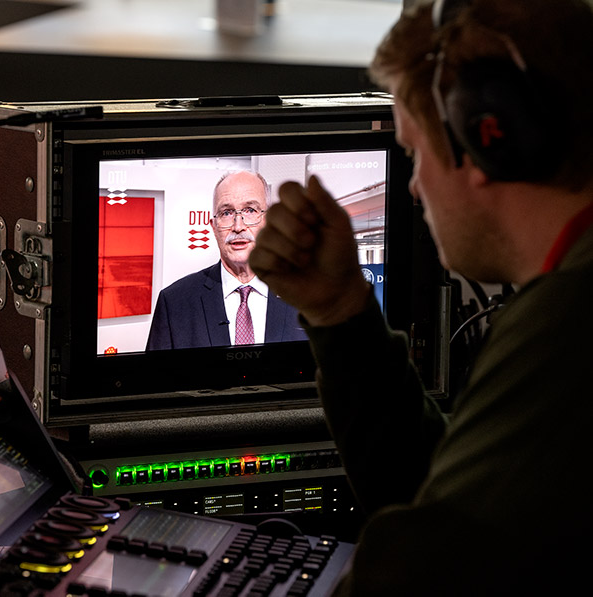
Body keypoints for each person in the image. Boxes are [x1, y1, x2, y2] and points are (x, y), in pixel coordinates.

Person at [249, 0, 593, 594]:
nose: (413, 185)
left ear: (488, 137)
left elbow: (417, 576)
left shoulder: (570, 319)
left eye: (412, 151)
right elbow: (446, 500)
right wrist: (340, 311)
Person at [146, 170, 307, 350]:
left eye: (250, 210)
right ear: (214, 228)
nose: (238, 226)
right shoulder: (174, 303)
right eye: (227, 213)